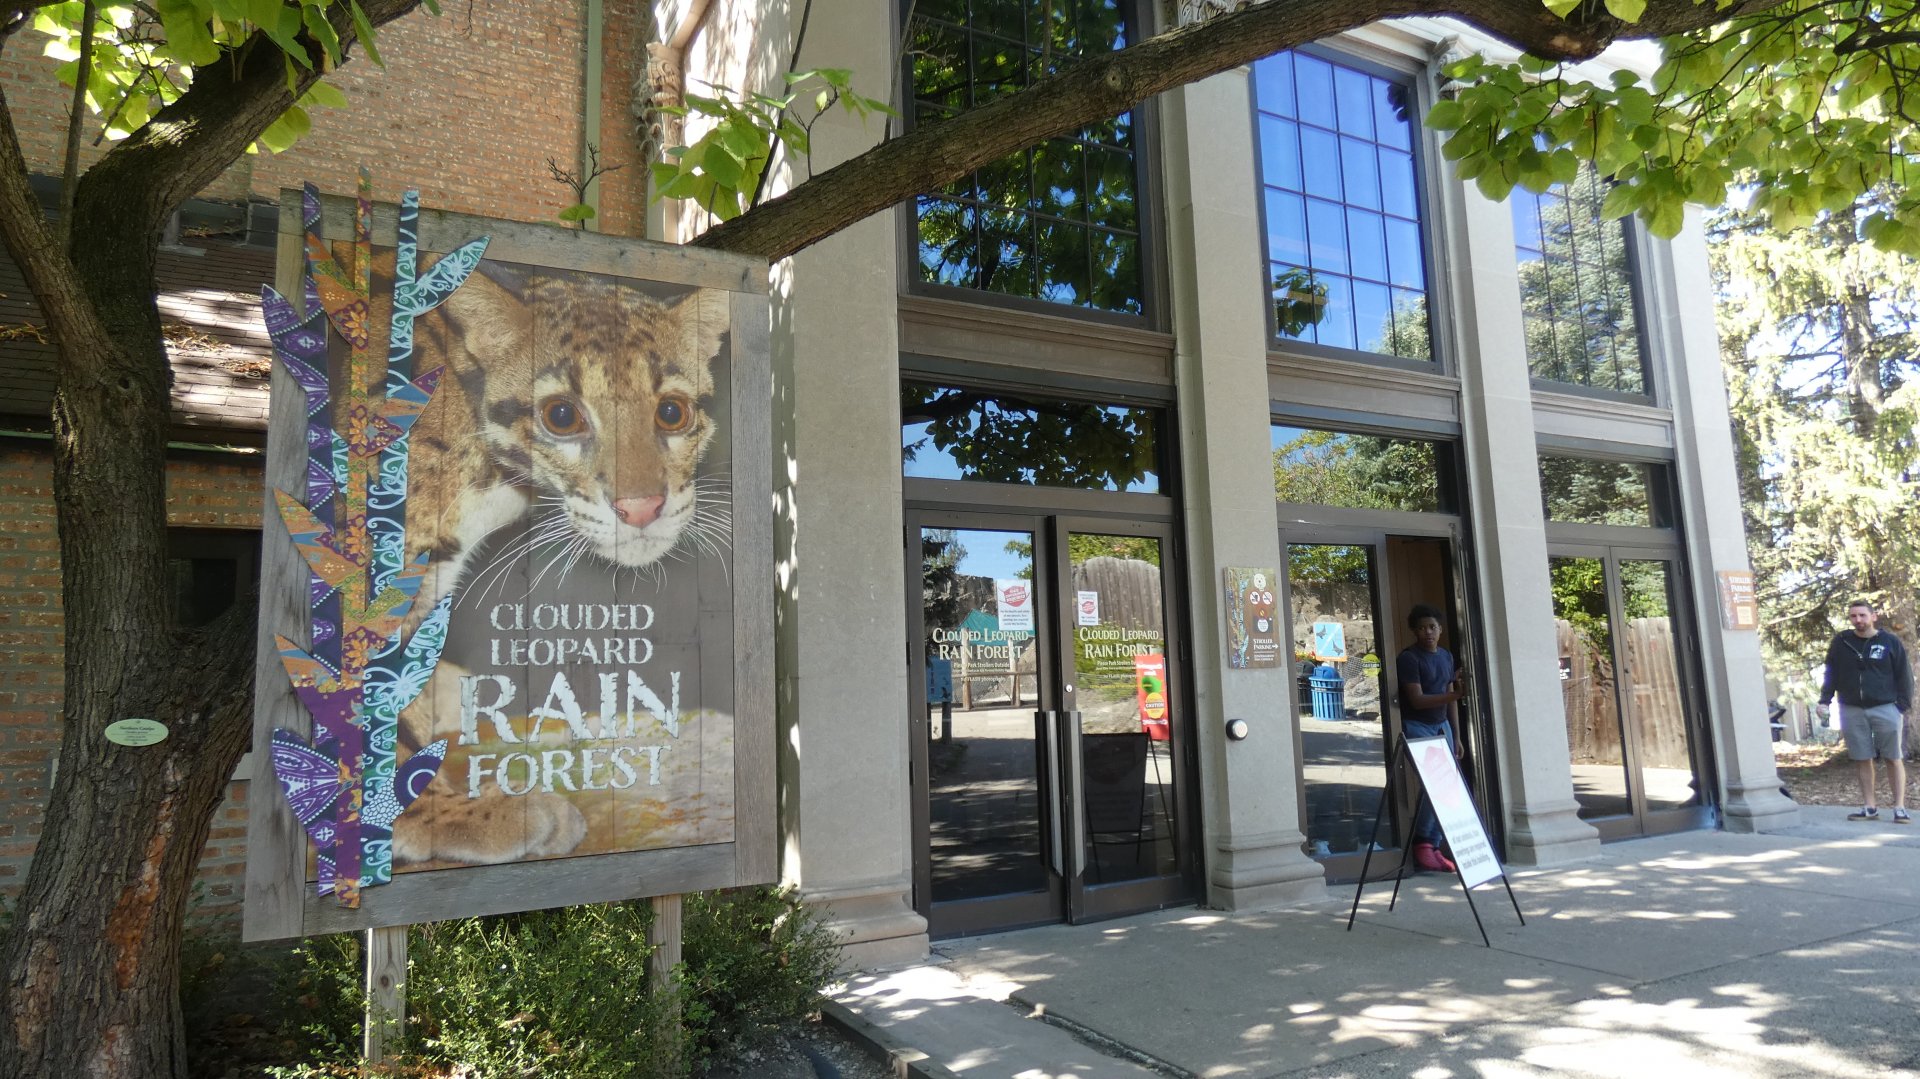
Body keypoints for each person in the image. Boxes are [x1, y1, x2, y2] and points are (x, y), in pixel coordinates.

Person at [1818, 600, 1912, 823]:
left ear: (1873, 617)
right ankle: (1870, 807)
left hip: (1886, 708)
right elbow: (1831, 673)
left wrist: (1901, 705)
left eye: (1862, 615)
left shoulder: (1890, 641)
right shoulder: (1841, 642)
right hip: (1852, 709)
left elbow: (1904, 675)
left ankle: (1899, 807)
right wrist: (1825, 700)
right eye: (1853, 616)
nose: (1858, 620)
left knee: (1893, 757)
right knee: (1862, 758)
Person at [1397, 603, 1468, 871]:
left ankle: (1434, 845)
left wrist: (1457, 735)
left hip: (1442, 727)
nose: (1428, 632)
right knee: (1435, 783)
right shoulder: (1409, 659)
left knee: (1448, 786)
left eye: (1432, 627)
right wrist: (1455, 695)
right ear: (1414, 631)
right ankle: (1423, 844)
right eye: (1422, 628)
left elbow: (1450, 699)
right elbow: (1417, 700)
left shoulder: (1446, 656)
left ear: (1440, 629)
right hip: (1417, 725)